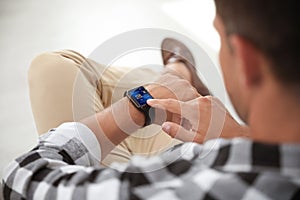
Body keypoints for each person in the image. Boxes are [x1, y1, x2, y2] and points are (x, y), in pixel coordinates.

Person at [2, 0, 300, 199]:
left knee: (52, 68)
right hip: (204, 141)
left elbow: (21, 178)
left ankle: (170, 79)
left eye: (221, 39)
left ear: (247, 61)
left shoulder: (191, 183)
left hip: (139, 164)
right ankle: (173, 78)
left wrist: (135, 108)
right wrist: (242, 136)